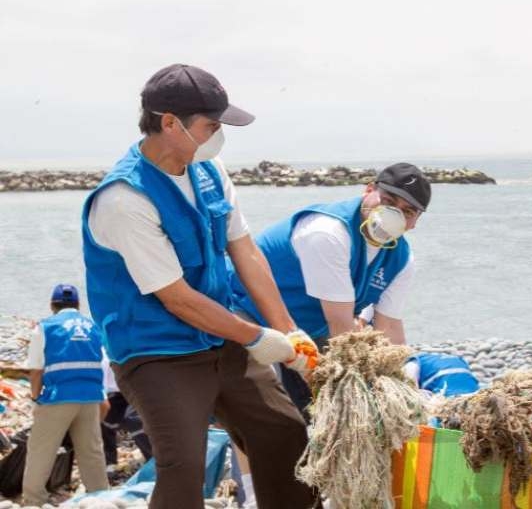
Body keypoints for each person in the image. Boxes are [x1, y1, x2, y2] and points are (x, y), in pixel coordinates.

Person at [81, 64, 316, 508]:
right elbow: (178, 299)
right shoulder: (124, 199)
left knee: (285, 435)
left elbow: (245, 250)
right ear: (170, 123)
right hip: (156, 350)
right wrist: (257, 337)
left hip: (219, 334)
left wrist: (288, 330)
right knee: (183, 465)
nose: (218, 135)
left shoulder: (209, 169)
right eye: (212, 125)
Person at [233, 163, 429, 415]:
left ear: (415, 221)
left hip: (309, 329)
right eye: (388, 201)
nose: (394, 215)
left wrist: (402, 384)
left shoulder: (401, 259)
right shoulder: (329, 232)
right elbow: (341, 328)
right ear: (369, 190)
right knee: (270, 407)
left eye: (407, 211)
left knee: (312, 411)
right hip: (245, 310)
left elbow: (389, 326)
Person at [23, 284, 109, 505]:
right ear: (78, 305)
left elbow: (36, 370)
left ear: (53, 305)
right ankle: (101, 498)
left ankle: (34, 501)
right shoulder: (93, 327)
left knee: (41, 451)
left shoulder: (46, 327)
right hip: (90, 397)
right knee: (91, 452)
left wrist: (35, 398)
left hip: (58, 397)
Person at [99, 354, 152, 477]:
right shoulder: (103, 356)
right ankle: (109, 463)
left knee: (135, 422)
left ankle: (154, 458)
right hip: (112, 395)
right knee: (103, 423)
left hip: (133, 392)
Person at [403, 352, 480, 397]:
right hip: (473, 391)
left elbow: (409, 382)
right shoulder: (457, 358)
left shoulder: (415, 360)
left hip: (446, 393)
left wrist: (414, 392)